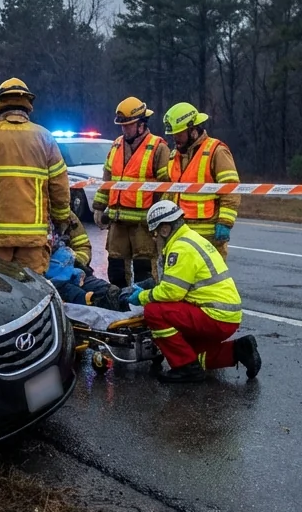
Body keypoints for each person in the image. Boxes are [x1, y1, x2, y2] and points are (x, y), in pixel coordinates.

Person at [128, 200, 260, 384]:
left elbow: (171, 293)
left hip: (214, 316)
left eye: (155, 233)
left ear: (164, 229)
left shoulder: (180, 248)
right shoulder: (192, 238)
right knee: (191, 353)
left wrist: (142, 297)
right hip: (225, 316)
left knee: (154, 311)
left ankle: (185, 368)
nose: (154, 239)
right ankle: (239, 350)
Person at [0, 78, 73, 275]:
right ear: (28, 105)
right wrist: (61, 221)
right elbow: (60, 188)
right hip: (33, 241)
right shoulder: (45, 137)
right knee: (30, 288)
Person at [93, 96, 171, 288]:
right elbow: (107, 180)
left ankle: (144, 306)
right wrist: (99, 207)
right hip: (117, 222)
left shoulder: (158, 147)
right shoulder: (116, 145)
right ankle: (120, 303)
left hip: (143, 225)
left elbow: (167, 187)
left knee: (144, 274)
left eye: (128, 125)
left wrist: (161, 219)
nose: (124, 130)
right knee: (116, 271)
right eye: (122, 126)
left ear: (141, 125)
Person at [162, 102, 240, 256]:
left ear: (193, 130)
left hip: (208, 236)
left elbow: (230, 189)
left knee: (209, 272)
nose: (176, 139)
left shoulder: (216, 151)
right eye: (173, 135)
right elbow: (170, 192)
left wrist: (225, 222)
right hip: (180, 232)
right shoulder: (174, 155)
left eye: (179, 134)